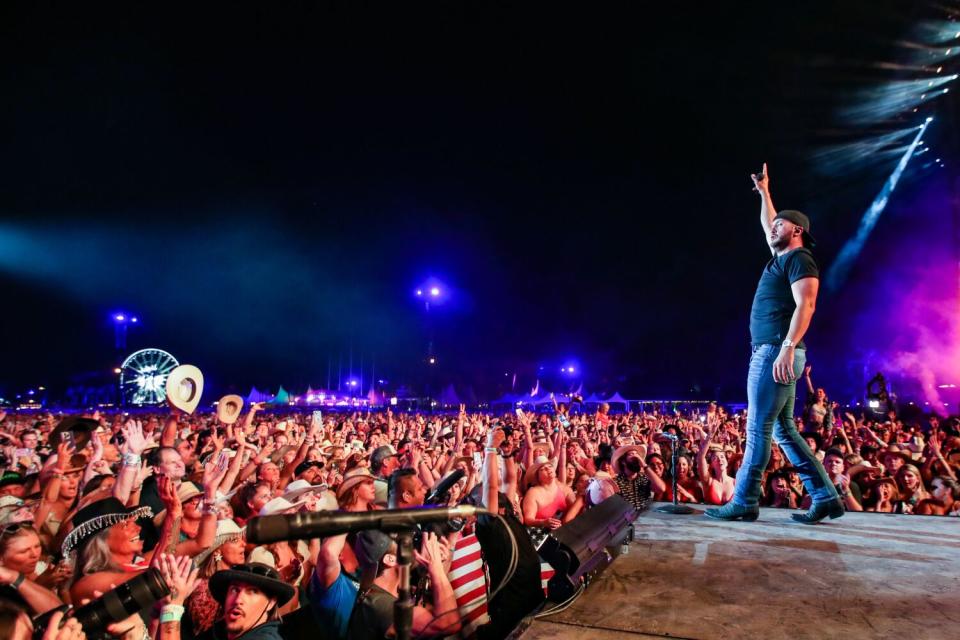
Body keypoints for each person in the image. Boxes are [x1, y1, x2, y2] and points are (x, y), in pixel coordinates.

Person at [706, 164, 841, 525]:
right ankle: (826, 495)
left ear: (797, 231)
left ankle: (745, 500)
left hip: (776, 353)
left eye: (780, 224)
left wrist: (785, 345)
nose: (772, 228)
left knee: (758, 429)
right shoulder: (782, 256)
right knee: (784, 429)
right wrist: (765, 193)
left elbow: (807, 305)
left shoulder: (800, 258)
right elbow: (768, 226)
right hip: (777, 352)